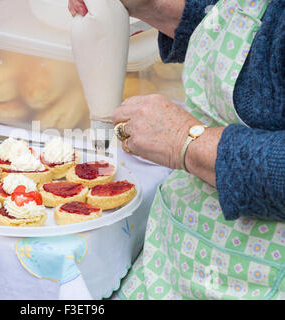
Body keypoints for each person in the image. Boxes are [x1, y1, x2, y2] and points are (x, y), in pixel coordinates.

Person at [69, 0, 285, 300]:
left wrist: (186, 141)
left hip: (257, 277)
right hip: (178, 256)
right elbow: (248, 35)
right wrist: (155, 6)